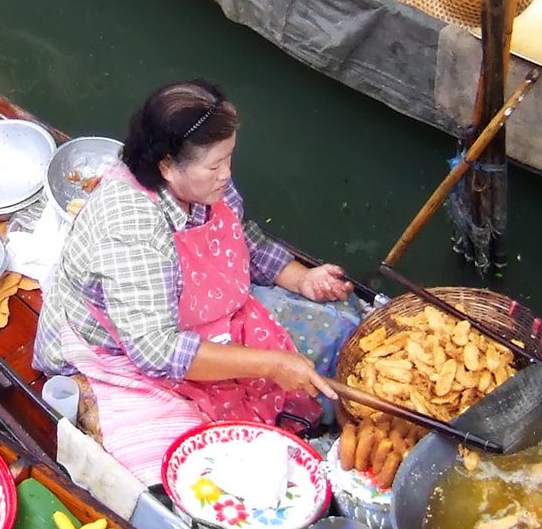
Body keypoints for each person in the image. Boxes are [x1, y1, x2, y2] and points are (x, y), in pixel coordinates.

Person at [34, 80, 351, 483]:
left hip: (202, 315)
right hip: (122, 348)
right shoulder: (132, 227)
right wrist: (271, 364)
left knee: (338, 331)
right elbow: (156, 350)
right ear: (166, 165)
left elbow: (241, 236)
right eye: (215, 166)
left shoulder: (204, 184)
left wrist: (302, 278)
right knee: (190, 468)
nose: (227, 174)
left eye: (229, 158)